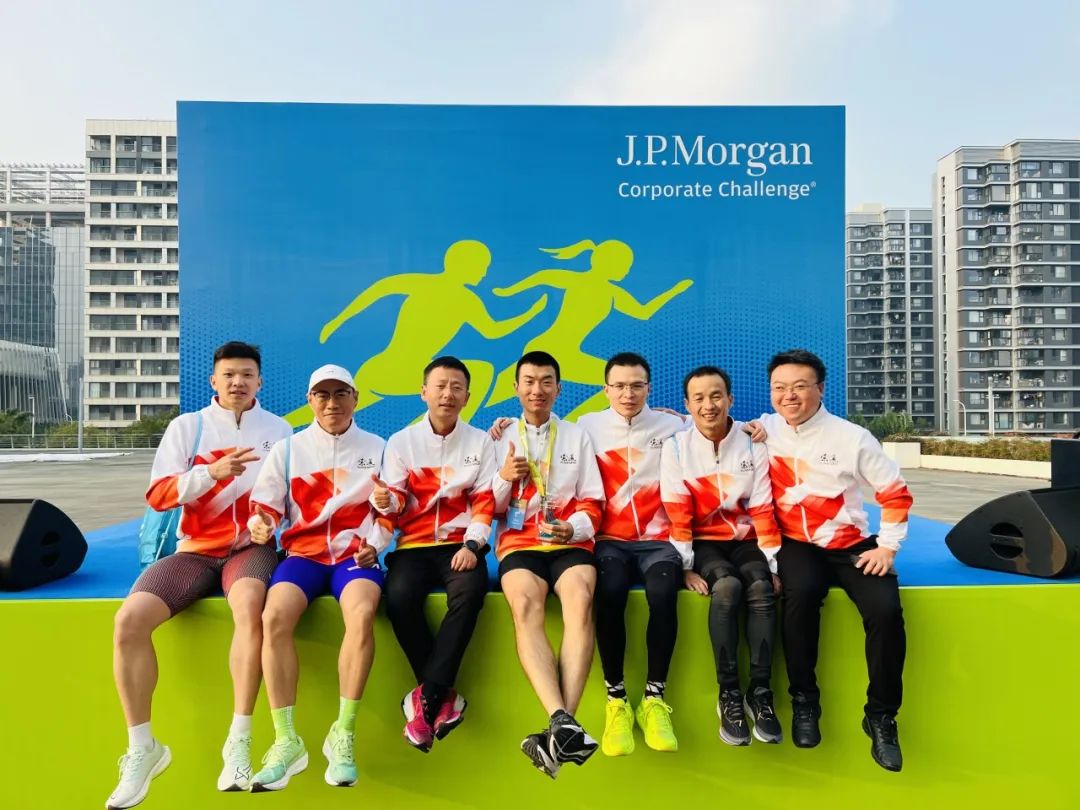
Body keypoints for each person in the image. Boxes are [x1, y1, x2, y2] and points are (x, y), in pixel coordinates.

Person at [107, 341, 291, 809]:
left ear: (260, 382)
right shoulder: (187, 428)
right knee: (129, 621)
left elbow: (291, 501)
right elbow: (158, 495)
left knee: (249, 607)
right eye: (229, 375)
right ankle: (143, 748)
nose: (237, 383)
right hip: (194, 552)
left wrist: (269, 524)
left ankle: (239, 740)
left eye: (246, 375)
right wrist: (211, 473)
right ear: (213, 381)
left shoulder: (280, 431)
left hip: (250, 551)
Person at [759, 349, 912, 772]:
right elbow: (708, 426)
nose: (789, 396)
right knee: (800, 596)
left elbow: (895, 492)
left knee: (886, 611)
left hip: (851, 544)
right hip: (797, 543)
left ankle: (881, 715)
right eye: (779, 388)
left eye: (799, 386)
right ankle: (804, 701)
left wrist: (887, 547)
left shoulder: (852, 437)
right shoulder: (763, 429)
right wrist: (670, 418)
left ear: (820, 389)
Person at [245, 364, 391, 791]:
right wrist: (260, 525)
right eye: (322, 395)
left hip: (353, 558)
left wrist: (375, 543)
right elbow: (265, 506)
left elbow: (388, 512)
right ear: (310, 400)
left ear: (355, 398)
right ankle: (286, 739)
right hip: (303, 557)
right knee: (273, 618)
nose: (332, 403)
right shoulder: (288, 450)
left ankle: (343, 733)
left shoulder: (379, 448)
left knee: (361, 613)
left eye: (340, 393)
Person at [373, 356, 497, 753]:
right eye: (440, 386)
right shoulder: (402, 442)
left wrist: (472, 545)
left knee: (470, 593)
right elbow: (394, 502)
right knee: (399, 598)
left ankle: (423, 699)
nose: (448, 394)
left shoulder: (480, 442)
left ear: (467, 397)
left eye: (456, 387)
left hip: (461, 544)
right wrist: (385, 506)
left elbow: (485, 501)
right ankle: (442, 697)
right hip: (414, 545)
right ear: (423, 392)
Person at [490, 350, 605, 778]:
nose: (537, 389)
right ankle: (563, 724)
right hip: (520, 542)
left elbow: (593, 500)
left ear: (559, 388)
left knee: (580, 599)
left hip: (569, 540)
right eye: (529, 381)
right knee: (524, 606)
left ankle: (560, 724)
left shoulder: (576, 435)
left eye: (546, 382)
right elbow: (485, 506)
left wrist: (573, 529)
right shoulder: (498, 437)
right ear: (516, 388)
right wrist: (503, 477)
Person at [287, 240, 547, 425]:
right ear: (464, 264)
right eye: (482, 265)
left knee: (473, 373)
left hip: (387, 369)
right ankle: (443, 432)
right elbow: (380, 288)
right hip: (394, 371)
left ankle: (445, 433)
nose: (485, 272)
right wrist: (338, 320)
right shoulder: (453, 295)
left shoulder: (465, 299)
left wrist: (530, 314)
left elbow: (491, 331)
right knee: (481, 372)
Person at [660, 366, 783, 747]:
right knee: (727, 587)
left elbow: (762, 507)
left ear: (730, 399)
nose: (708, 405)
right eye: (698, 398)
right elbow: (678, 512)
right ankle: (729, 694)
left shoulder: (752, 441)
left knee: (761, 587)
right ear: (687, 405)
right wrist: (684, 567)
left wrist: (773, 565)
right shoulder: (675, 447)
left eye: (716, 396)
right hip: (703, 543)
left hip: (745, 539)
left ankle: (760, 693)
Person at [570, 353, 686, 755]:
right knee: (611, 590)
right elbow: (543, 438)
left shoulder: (673, 426)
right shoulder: (585, 427)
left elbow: (716, 430)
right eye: (619, 386)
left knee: (663, 594)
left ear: (649, 388)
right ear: (606, 390)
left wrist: (754, 429)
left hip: (659, 539)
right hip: (609, 539)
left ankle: (654, 698)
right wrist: (502, 428)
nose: (628, 394)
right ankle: (616, 698)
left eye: (637, 386)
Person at [484, 240, 693, 418]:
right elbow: (543, 275)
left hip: (568, 353)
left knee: (613, 384)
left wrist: (674, 291)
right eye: (625, 265)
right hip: (546, 349)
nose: (627, 270)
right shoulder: (578, 280)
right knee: (497, 392)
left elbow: (643, 312)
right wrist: (507, 291)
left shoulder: (613, 293)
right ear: (610, 263)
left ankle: (574, 423)